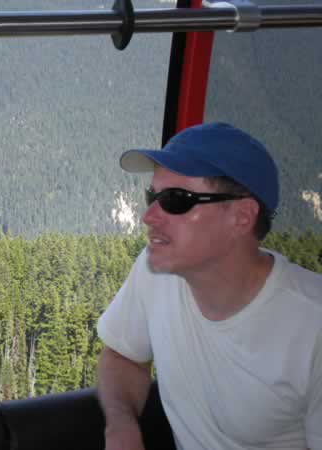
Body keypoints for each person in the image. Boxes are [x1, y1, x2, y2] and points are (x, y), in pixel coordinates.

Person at [96, 122, 322, 450]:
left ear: (242, 217)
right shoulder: (155, 271)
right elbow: (123, 355)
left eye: (175, 200)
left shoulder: (312, 326)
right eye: (152, 195)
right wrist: (120, 425)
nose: (148, 215)